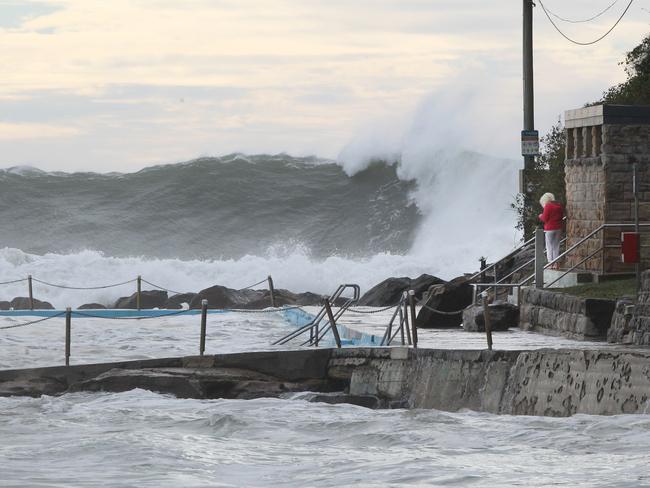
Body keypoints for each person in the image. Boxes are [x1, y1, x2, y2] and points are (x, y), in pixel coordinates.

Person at [538, 192, 564, 269]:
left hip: (549, 229)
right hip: (558, 228)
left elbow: (544, 218)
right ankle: (556, 264)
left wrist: (540, 216)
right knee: (556, 246)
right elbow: (561, 216)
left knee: (549, 247)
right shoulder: (559, 205)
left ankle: (550, 264)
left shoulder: (548, 206)